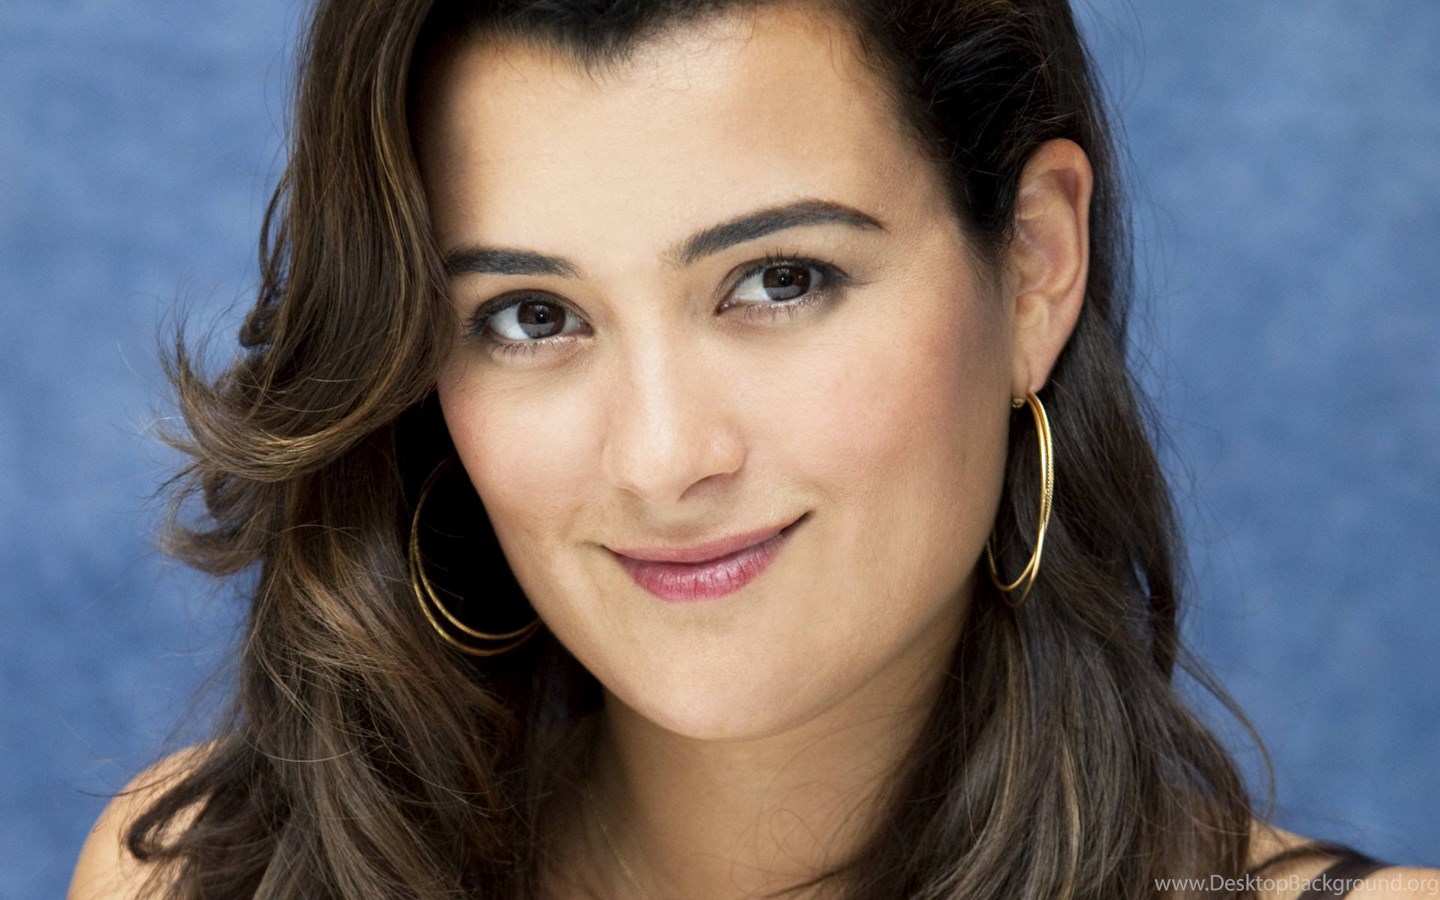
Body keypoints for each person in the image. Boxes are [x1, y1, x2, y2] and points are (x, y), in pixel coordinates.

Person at [68, 0, 1438, 898]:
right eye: (532, 315)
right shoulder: (194, 877)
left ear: (1033, 266)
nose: (664, 458)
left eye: (780, 281)